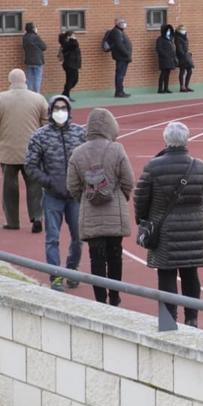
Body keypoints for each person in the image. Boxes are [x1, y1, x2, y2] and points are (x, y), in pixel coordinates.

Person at [133, 121, 203, 327]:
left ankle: (168, 321)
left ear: (166, 140)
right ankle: (192, 319)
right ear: (186, 140)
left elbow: (141, 199)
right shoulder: (201, 167)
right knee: (190, 272)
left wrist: (143, 220)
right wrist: (197, 216)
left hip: (164, 231)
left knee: (166, 274)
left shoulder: (153, 167)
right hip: (194, 230)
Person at [67, 108, 134, 306]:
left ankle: (99, 300)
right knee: (115, 255)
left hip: (90, 213)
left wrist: (85, 198)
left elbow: (72, 185)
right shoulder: (117, 149)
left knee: (96, 258)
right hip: (115, 212)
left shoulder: (77, 153)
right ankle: (115, 297)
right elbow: (128, 180)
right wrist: (122, 196)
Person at [25, 94, 87, 291]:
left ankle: (71, 269)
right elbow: (31, 165)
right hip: (52, 196)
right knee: (52, 237)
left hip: (76, 196)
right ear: (50, 111)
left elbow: (89, 160)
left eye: (64, 107)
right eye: (57, 108)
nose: (60, 111)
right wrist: (49, 182)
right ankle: (56, 276)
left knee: (78, 237)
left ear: (69, 110)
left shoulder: (80, 134)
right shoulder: (39, 136)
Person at [0, 69, 47, 232]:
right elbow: (47, 122)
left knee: (9, 188)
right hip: (32, 151)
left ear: (10, 80)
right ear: (25, 80)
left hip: (8, 151)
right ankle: (37, 217)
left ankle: (12, 221)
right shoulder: (38, 98)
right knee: (35, 187)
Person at [103, 18, 133, 98]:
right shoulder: (116, 32)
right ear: (117, 23)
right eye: (122, 22)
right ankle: (119, 92)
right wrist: (127, 54)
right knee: (120, 75)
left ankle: (121, 91)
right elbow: (119, 45)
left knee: (121, 75)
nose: (124, 23)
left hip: (123, 57)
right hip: (121, 57)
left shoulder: (119, 32)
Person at [22, 22, 46, 94]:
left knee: (29, 78)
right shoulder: (36, 37)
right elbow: (44, 47)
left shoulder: (25, 37)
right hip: (37, 60)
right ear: (33, 29)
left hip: (28, 60)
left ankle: (29, 93)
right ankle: (36, 94)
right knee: (37, 78)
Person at [57, 30, 81, 101]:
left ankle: (65, 94)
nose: (75, 37)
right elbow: (75, 45)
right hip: (70, 64)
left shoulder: (68, 43)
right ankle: (65, 95)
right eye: (73, 35)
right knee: (71, 80)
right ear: (69, 36)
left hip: (73, 64)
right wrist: (72, 38)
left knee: (73, 80)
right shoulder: (68, 43)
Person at [155, 24, 178, 94]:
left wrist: (174, 57)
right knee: (163, 73)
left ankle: (166, 88)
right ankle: (160, 89)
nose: (168, 32)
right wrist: (165, 55)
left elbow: (173, 49)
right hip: (164, 59)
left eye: (169, 30)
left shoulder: (170, 39)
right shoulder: (160, 39)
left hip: (170, 59)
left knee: (168, 74)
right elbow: (158, 49)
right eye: (167, 30)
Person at [174, 25, 195, 92]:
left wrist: (188, 53)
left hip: (186, 55)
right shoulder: (177, 38)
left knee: (189, 71)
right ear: (179, 30)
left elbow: (186, 47)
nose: (184, 31)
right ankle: (182, 87)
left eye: (184, 29)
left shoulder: (185, 37)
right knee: (182, 71)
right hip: (181, 56)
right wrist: (184, 54)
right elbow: (179, 49)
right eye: (182, 29)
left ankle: (186, 86)